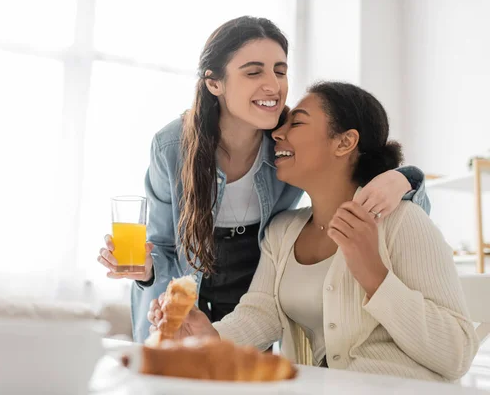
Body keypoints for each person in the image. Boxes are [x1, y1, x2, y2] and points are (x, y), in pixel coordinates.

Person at [97, 16, 430, 342]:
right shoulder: (171, 147)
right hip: (183, 306)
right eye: (253, 72)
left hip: (250, 307)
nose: (273, 85)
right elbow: (163, 247)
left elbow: (356, 170)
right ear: (215, 83)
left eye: (280, 71)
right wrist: (147, 268)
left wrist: (404, 179)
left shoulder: (289, 142)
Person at [147, 81, 478, 382]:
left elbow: (457, 354)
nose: (277, 133)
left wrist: (374, 275)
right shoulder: (282, 231)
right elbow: (260, 314)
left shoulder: (404, 222)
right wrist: (211, 336)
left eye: (298, 123)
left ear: (345, 142)